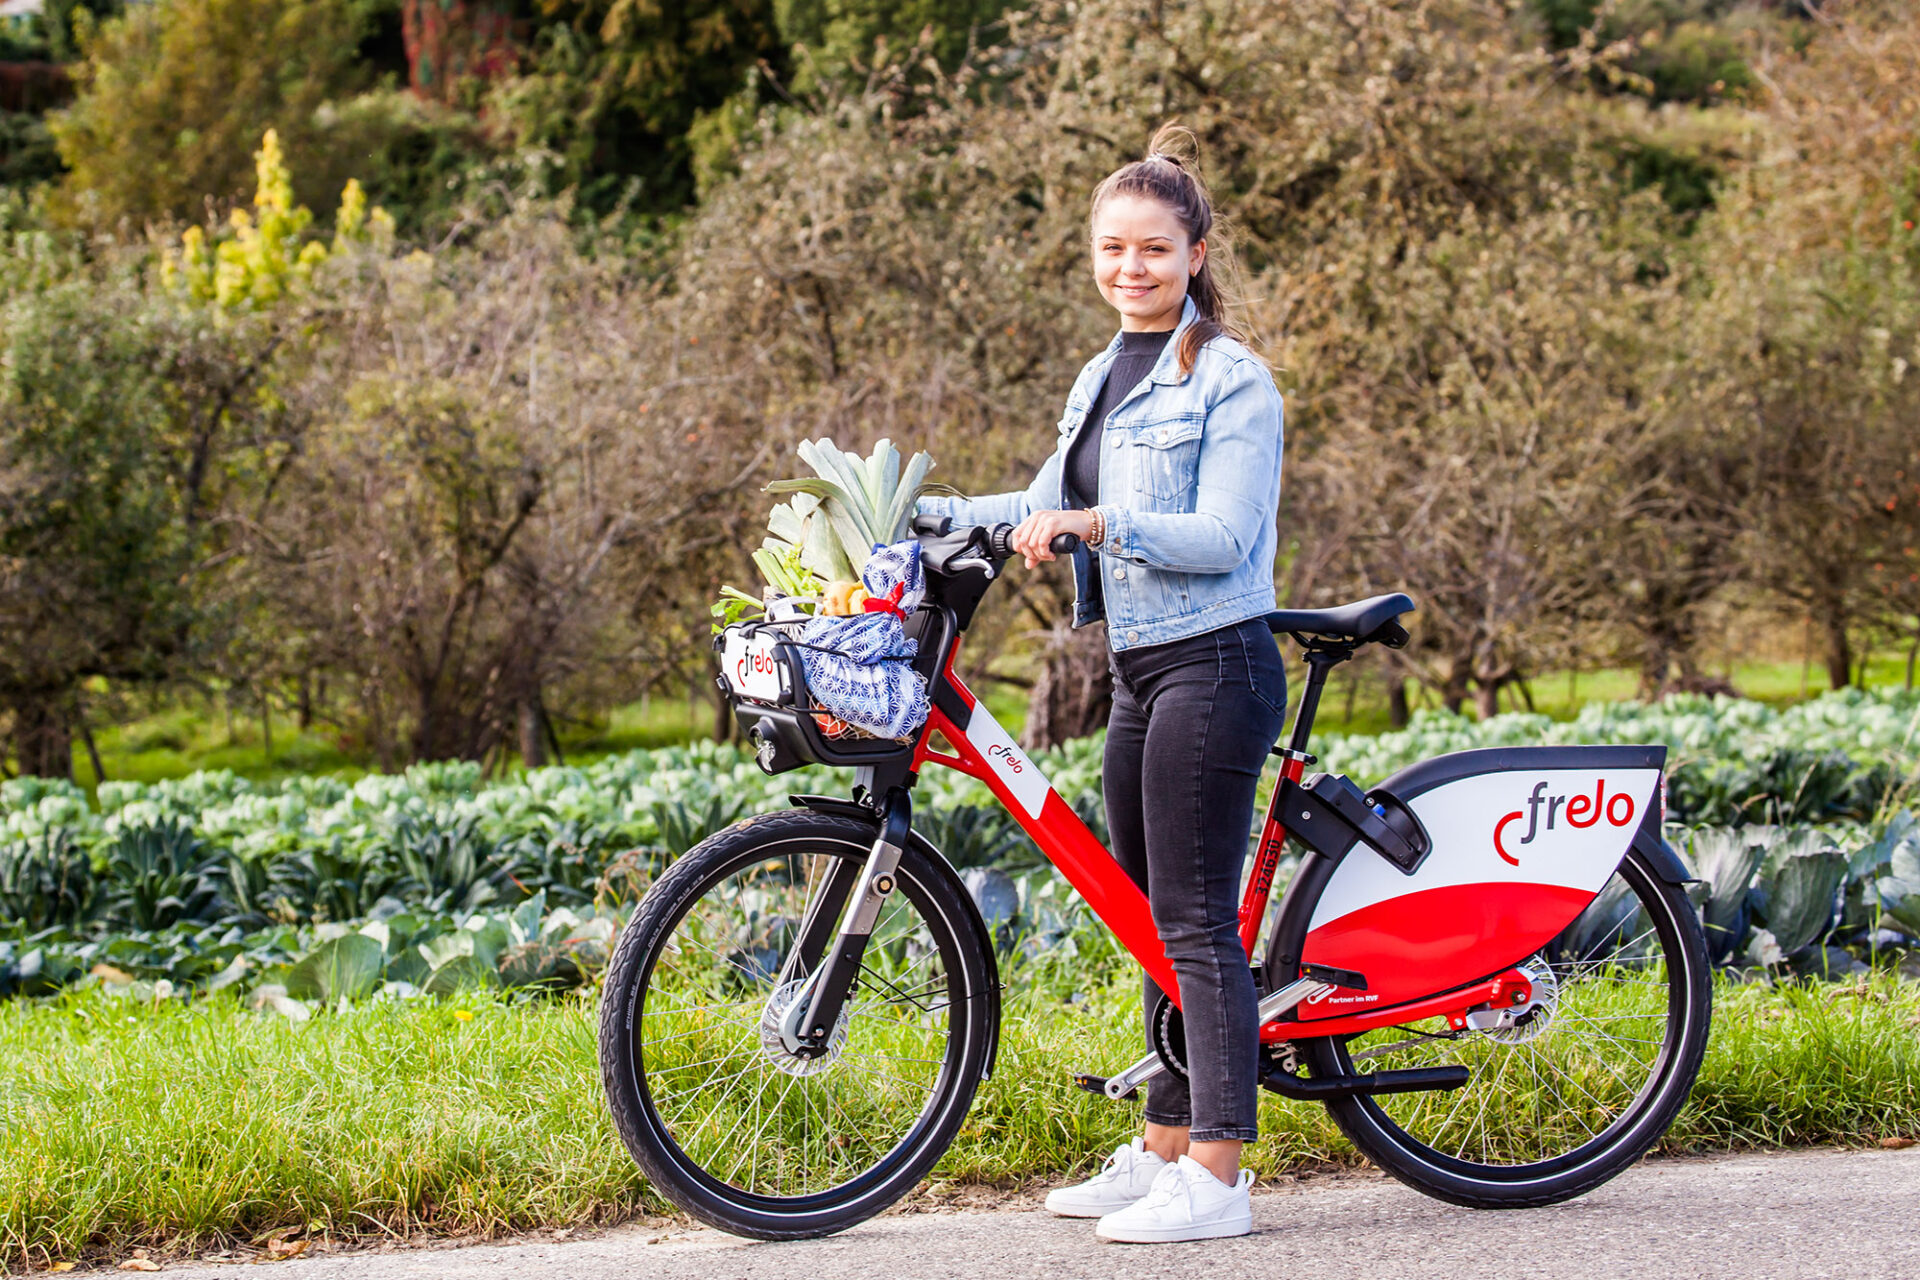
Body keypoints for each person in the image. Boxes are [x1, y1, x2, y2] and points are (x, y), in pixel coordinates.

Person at [916, 124, 1287, 1244]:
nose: (1131, 268)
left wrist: (1100, 521)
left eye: (1155, 251)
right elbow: (1030, 501)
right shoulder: (1098, 373)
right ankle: (1163, 1146)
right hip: (1139, 668)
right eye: (1112, 249)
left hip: (1214, 661)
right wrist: (911, 518)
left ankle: (1218, 1177)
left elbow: (1223, 534)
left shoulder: (1232, 378)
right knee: (1144, 915)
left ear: (1199, 252)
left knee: (1191, 917)